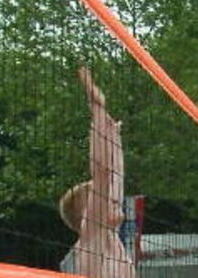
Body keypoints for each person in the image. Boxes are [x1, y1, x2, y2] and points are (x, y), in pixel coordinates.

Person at [58, 67, 135, 278]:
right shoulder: (92, 238)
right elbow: (102, 172)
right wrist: (97, 108)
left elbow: (115, 176)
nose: (109, 196)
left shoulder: (110, 238)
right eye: (97, 197)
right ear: (85, 214)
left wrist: (114, 139)